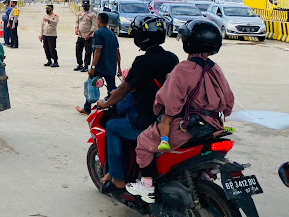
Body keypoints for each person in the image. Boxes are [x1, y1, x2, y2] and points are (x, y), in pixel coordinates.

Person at [126, 19, 234, 203]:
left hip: (187, 126)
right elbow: (229, 103)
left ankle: (147, 186)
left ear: (189, 42)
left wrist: (158, 108)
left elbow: (168, 103)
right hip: (214, 126)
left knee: (143, 141)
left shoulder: (184, 68)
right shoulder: (215, 68)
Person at [94, 16, 179, 191]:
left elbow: (124, 88)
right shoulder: (172, 58)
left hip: (149, 118)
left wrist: (105, 103)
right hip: (170, 115)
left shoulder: (143, 61)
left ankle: (118, 177)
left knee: (112, 126)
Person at [76, 13, 121, 114]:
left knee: (91, 86)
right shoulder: (112, 34)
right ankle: (114, 109)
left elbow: (98, 51)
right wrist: (119, 68)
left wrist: (92, 67)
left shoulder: (98, 33)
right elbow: (117, 52)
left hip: (100, 67)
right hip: (111, 67)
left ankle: (87, 108)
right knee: (111, 89)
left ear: (99, 21)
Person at [75, 0, 97, 72]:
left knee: (88, 52)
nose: (85, 7)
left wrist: (89, 34)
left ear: (89, 6)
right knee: (78, 50)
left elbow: (94, 26)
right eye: (84, 6)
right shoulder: (79, 13)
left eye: (87, 6)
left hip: (88, 36)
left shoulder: (92, 15)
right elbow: (77, 22)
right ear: (82, 6)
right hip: (80, 36)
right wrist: (76, 29)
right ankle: (79, 64)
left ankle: (86, 65)